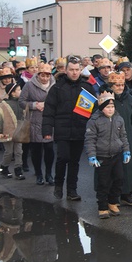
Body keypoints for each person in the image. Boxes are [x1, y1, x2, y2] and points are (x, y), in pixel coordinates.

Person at [43, 55, 97, 201]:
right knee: (63, 158)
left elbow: (94, 110)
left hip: (80, 129)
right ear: (66, 70)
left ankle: (72, 190)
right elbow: (49, 110)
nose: (74, 73)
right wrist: (47, 130)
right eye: (71, 70)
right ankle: (58, 185)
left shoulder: (86, 88)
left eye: (77, 70)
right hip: (62, 129)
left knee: (74, 161)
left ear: (80, 70)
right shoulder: (57, 88)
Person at [85, 92, 130, 219]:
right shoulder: (94, 121)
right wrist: (91, 155)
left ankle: (112, 202)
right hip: (102, 156)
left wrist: (126, 150)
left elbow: (123, 136)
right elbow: (90, 139)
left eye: (112, 107)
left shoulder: (119, 119)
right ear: (102, 108)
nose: (110, 109)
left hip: (116, 154)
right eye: (107, 107)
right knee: (103, 182)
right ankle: (102, 206)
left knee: (119, 179)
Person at [108, 72, 132, 206]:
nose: (120, 87)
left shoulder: (129, 98)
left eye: (122, 84)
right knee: (113, 168)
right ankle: (112, 196)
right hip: (110, 138)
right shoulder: (106, 98)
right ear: (111, 85)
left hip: (127, 136)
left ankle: (127, 193)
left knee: (128, 166)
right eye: (117, 85)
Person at [19, 62, 55, 185]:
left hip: (49, 121)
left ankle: (49, 174)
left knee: (49, 148)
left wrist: (49, 105)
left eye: (47, 76)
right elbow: (22, 101)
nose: (45, 78)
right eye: (42, 76)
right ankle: (38, 174)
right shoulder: (29, 85)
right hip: (35, 121)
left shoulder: (55, 85)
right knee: (36, 150)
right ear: (38, 75)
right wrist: (34, 105)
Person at [0, 82, 25, 180]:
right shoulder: (3, 105)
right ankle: (4, 168)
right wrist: (0, 131)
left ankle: (18, 170)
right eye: (19, 90)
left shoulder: (21, 103)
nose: (21, 91)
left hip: (19, 131)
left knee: (19, 151)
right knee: (9, 152)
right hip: (7, 132)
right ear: (13, 93)